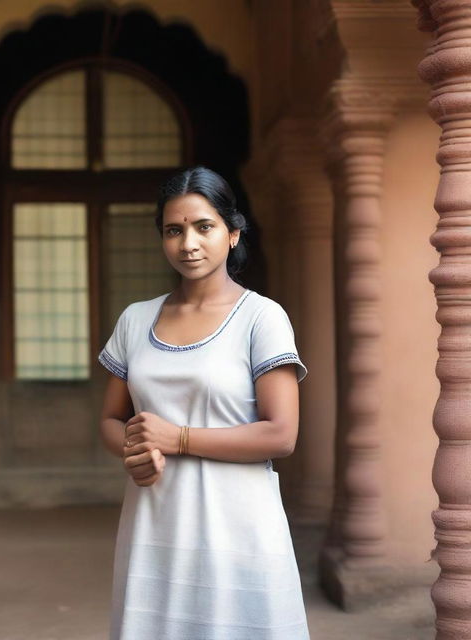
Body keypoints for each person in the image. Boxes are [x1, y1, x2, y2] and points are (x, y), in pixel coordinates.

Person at [97, 165, 310, 639]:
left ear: (233, 233)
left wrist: (179, 438)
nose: (188, 243)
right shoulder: (136, 320)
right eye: (174, 230)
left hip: (237, 525)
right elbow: (112, 419)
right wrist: (134, 452)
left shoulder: (261, 318)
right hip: (156, 522)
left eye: (204, 227)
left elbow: (282, 434)